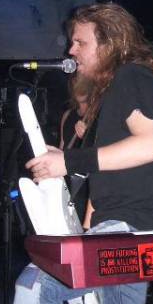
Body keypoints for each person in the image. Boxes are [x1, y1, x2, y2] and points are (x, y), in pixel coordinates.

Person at [2, 2, 153, 304]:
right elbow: (108, 177)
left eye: (80, 42)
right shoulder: (115, 90)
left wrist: (68, 161)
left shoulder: (132, 75)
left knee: (36, 287)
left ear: (109, 42)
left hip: (130, 229)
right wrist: (83, 225)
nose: (71, 51)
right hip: (125, 227)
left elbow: (150, 146)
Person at [59, 74, 93, 221]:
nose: (79, 88)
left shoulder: (97, 114)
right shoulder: (68, 115)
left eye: (83, 84)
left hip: (87, 185)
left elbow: (104, 150)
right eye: (76, 84)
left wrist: (86, 136)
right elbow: (62, 147)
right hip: (67, 180)